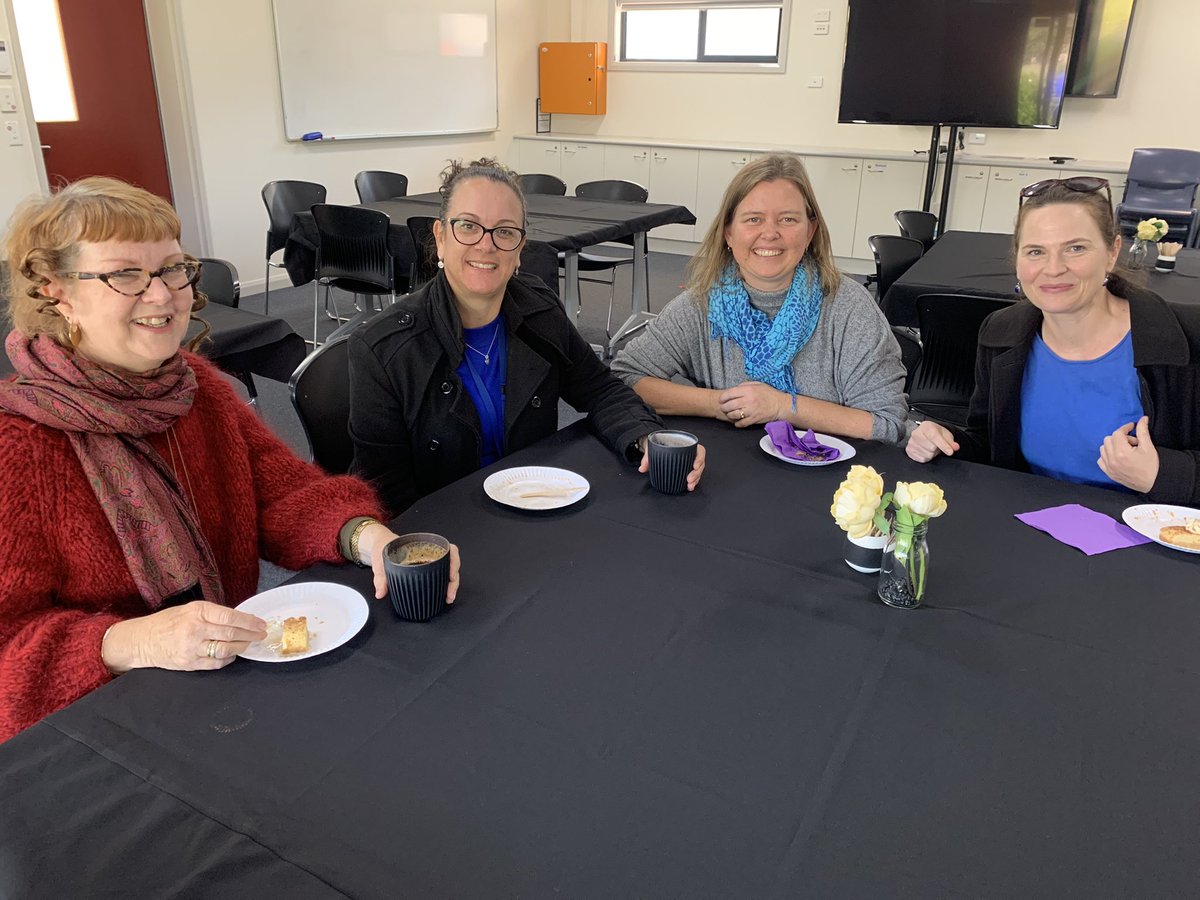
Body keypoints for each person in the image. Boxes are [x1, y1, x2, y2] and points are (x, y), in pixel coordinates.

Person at [0, 177, 459, 743]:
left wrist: (366, 538)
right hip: (100, 730)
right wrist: (132, 642)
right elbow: (8, 654)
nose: (164, 295)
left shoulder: (199, 391)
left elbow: (283, 495)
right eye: (125, 274)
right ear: (55, 291)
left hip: (223, 692)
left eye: (172, 268)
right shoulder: (17, 446)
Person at [348, 158, 705, 515]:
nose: (486, 245)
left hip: (534, 509)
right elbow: (385, 494)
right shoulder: (384, 349)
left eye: (504, 231)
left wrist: (645, 437)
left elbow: (600, 390)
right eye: (468, 226)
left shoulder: (539, 311)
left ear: (520, 248)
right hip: (447, 530)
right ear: (441, 238)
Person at [906, 176, 1200, 503]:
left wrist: (1163, 474)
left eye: (1075, 248)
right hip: (1028, 528)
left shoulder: (1187, 337)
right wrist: (947, 440)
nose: (1054, 268)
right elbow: (989, 442)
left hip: (1148, 539)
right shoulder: (1002, 333)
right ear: (1017, 260)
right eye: (1035, 251)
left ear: (1112, 252)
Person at [610, 153, 909, 444]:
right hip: (729, 475)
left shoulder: (848, 307)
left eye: (788, 219)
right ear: (728, 233)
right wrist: (718, 404)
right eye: (753, 219)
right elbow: (627, 378)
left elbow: (885, 421)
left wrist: (781, 407)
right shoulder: (700, 305)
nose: (770, 233)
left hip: (830, 476)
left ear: (810, 231)